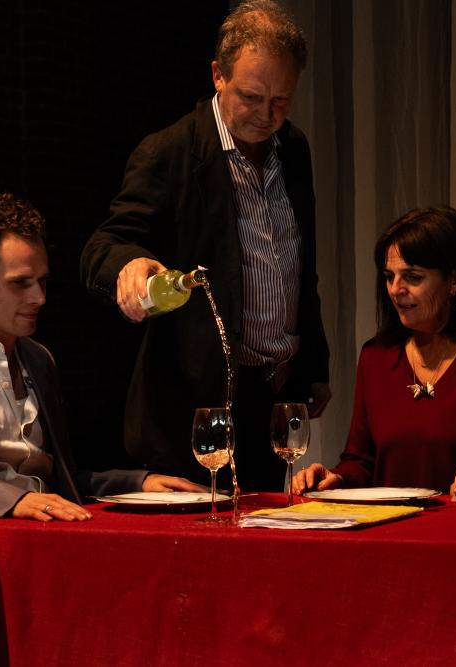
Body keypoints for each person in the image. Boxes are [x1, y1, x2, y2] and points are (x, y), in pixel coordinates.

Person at [0, 193, 202, 666]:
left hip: (35, 581)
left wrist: (137, 483)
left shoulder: (38, 360)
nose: (39, 298)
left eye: (42, 282)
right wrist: (9, 502)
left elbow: (56, 482)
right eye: (20, 283)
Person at [82, 0, 330, 491]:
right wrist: (128, 265)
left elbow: (300, 267)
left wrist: (314, 366)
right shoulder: (170, 151)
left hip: (274, 396)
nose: (267, 115)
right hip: (196, 404)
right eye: (252, 97)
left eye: (282, 100)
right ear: (218, 75)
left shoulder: (294, 149)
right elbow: (105, 244)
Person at [292, 207, 456, 501]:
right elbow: (361, 461)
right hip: (391, 533)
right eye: (390, 276)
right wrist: (336, 477)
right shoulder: (376, 357)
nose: (395, 289)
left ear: (454, 281)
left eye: (412, 277)